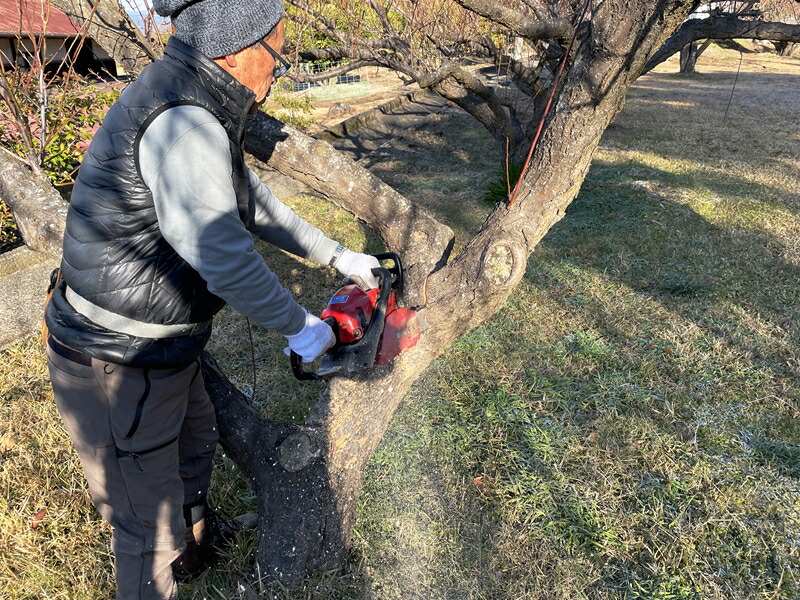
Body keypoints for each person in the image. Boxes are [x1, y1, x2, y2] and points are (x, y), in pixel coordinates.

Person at [43, 0, 380, 598]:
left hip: (159, 343)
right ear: (235, 48)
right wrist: (301, 328)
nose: (281, 66)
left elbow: (251, 205)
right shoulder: (185, 123)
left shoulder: (197, 94)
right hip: (117, 358)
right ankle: (160, 574)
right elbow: (223, 257)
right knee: (144, 524)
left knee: (196, 440)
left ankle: (198, 552)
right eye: (277, 51)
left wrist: (335, 255)